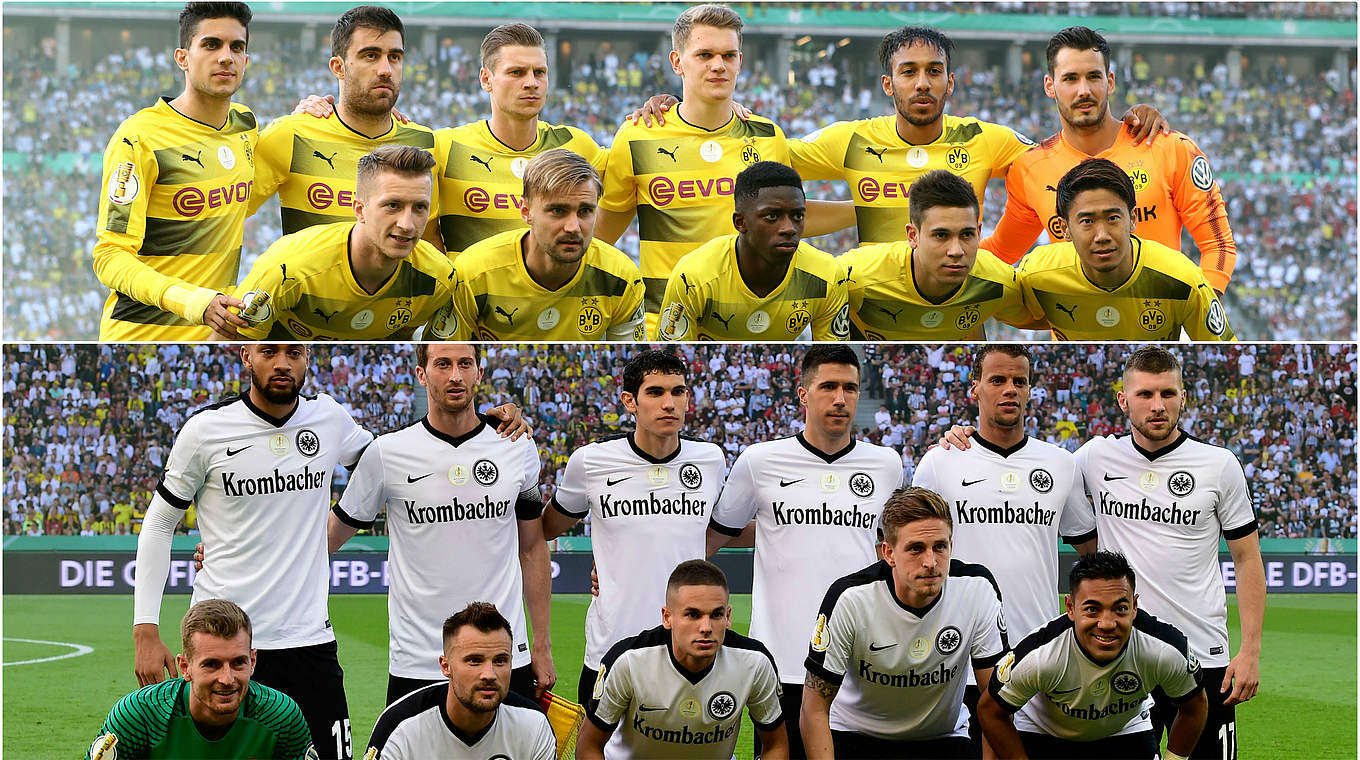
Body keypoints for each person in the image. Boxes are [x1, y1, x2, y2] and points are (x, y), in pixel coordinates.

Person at [134, 344, 372, 759]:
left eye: (294, 353)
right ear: (247, 356)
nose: (282, 363)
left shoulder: (329, 418)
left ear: (308, 358)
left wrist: (326, 539)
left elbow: (385, 466)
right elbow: (158, 523)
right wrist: (145, 630)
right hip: (222, 646)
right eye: (269, 352)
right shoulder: (206, 429)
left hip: (308, 643)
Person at [792, 25, 1166, 247]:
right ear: (888, 84)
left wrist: (1123, 128)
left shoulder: (986, 140)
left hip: (962, 320)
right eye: (909, 72)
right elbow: (763, 166)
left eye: (934, 71)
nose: (923, 83)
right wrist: (861, 210)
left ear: (950, 82)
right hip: (871, 320)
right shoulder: (851, 139)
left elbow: (1061, 161)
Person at [328, 343, 555, 706]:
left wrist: (541, 647)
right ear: (422, 374)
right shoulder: (388, 453)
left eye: (465, 364)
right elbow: (327, 537)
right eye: (442, 364)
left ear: (480, 373)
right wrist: (220, 550)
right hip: (418, 661)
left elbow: (531, 546)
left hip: (502, 656)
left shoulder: (517, 446)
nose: (455, 375)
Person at [707, 345, 901, 759]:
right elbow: (713, 535)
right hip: (782, 661)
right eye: (828, 386)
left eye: (850, 388)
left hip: (861, 661)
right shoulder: (760, 461)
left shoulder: (886, 464)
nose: (840, 398)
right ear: (802, 394)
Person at [1072, 346, 1263, 759]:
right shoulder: (1094, 457)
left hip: (1203, 653)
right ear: (1123, 400)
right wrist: (960, 438)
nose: (1157, 406)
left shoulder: (1218, 464)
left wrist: (1249, 652)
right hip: (1122, 651)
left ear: (1183, 397)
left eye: (1167, 393)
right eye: (1144, 395)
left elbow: (1247, 559)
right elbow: (1041, 474)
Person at [912, 344, 1097, 751]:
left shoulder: (1059, 464)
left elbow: (1091, 549)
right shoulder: (940, 462)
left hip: (1038, 652)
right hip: (955, 653)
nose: (1009, 389)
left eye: (1019, 381)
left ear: (1031, 390)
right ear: (975, 389)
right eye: (997, 380)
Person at [984, 26, 1237, 294]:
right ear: (1050, 85)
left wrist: (1202, 309)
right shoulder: (1030, 168)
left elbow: (1218, 245)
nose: (1084, 90)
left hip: (1159, 329)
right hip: (1079, 332)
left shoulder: (1169, 148)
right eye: (1070, 79)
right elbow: (999, 252)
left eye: (1094, 77)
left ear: (1110, 81)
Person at [540, 349, 727, 708]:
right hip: (611, 649)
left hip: (687, 647)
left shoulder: (710, 460)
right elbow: (547, 527)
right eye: (655, 392)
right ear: (630, 401)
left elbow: (722, 528)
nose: (669, 403)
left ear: (688, 398)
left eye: (678, 391)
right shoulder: (591, 462)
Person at [595, 4, 796, 336]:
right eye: (704, 55)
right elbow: (601, 237)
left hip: (746, 324)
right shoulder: (636, 135)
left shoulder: (768, 136)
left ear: (740, 62)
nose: (718, 65)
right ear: (677, 62)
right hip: (663, 325)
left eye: (728, 56)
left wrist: (867, 207)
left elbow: (788, 222)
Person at [801, 487, 1008, 759]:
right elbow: (814, 708)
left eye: (940, 547)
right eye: (915, 549)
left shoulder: (977, 589)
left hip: (944, 739)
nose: (931, 562)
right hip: (856, 737)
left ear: (951, 546)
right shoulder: (850, 598)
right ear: (888, 552)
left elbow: (995, 702)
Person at [92, 1, 256, 341]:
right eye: (211, 44)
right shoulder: (139, 137)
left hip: (214, 338)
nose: (226, 56)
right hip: (140, 337)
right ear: (182, 58)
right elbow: (109, 256)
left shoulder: (245, 125)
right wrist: (194, 301)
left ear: (246, 61)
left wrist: (312, 109)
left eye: (236, 47)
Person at [978, 551, 1208, 760]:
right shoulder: (1041, 655)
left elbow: (1196, 705)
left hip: (1125, 730)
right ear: (1070, 607)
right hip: (1044, 732)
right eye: (1092, 609)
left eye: (1120, 609)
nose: (1107, 624)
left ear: (1135, 606)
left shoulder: (1163, 649)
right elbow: (990, 711)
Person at [230, 145, 457, 341]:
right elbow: (229, 342)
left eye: (419, 207)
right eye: (392, 206)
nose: (407, 225)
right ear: (360, 209)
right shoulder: (286, 270)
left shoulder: (440, 279)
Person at [250, 6, 441, 237]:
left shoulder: (424, 142)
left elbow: (430, 238)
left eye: (394, 57)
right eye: (370, 55)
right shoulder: (292, 134)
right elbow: (227, 214)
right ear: (338, 67)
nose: (386, 70)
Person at [577, 560, 788, 760]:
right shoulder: (628, 661)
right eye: (693, 615)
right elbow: (589, 746)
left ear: (728, 617)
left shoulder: (755, 662)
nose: (706, 628)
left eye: (716, 614)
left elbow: (776, 745)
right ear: (667, 617)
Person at [432, 23, 605, 256]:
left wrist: (663, 105)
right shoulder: (446, 147)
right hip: (469, 293)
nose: (532, 82)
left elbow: (629, 184)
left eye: (539, 72)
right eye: (517, 72)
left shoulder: (576, 145)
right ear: (486, 79)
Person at [1014, 158, 1234, 341]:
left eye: (1112, 218)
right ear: (1064, 229)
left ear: (1133, 219)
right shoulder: (1035, 274)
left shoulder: (1184, 279)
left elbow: (1223, 344)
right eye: (1087, 221)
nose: (1102, 236)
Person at [449, 149, 645, 340]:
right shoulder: (472, 274)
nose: (573, 227)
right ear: (526, 211)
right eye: (558, 210)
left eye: (585, 211)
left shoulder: (622, 277)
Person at [89, 599, 314, 760]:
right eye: (211, 665)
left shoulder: (281, 717)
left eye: (238, 663)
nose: (227, 679)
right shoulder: (140, 716)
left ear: (253, 661)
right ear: (185, 667)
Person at [657, 161, 850, 341]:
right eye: (772, 216)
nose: (789, 228)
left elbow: (832, 359)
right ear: (740, 223)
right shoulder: (693, 277)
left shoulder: (828, 276)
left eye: (797, 215)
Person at [839, 170, 1031, 340]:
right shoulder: (855, 277)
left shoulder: (1001, 283)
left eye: (967, 234)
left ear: (979, 233)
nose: (956, 251)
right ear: (913, 236)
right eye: (941, 235)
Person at [363, 602, 556, 760]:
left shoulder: (533, 725)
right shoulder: (401, 728)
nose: (489, 674)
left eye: (500, 661)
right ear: (446, 666)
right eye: (474, 661)